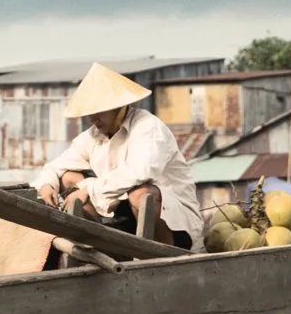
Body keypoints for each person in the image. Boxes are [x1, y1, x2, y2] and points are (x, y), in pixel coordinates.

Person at [33, 63, 203, 251]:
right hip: (124, 217)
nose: (93, 119)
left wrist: (88, 189)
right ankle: (101, 248)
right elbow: (56, 166)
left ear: (118, 107)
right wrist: (47, 184)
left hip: (175, 224)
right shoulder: (93, 136)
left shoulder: (148, 127)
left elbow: (141, 171)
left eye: (99, 112)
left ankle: (162, 257)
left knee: (141, 195)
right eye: (90, 113)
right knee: (67, 176)